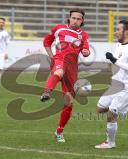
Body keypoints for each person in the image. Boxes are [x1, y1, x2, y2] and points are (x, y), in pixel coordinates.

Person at [41, 9, 90, 142]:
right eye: (73, 18)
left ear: (82, 21)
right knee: (58, 72)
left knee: (68, 102)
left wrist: (85, 52)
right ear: (69, 18)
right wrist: (52, 57)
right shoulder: (59, 29)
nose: (75, 21)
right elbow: (46, 42)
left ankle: (59, 131)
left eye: (78, 19)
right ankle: (46, 92)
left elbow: (86, 49)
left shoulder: (84, 35)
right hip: (60, 60)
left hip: (72, 68)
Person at [95, 20, 128, 149]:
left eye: (118, 29)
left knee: (111, 114)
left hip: (125, 88)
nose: (115, 32)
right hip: (115, 86)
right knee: (100, 108)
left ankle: (110, 143)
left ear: (126, 32)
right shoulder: (118, 45)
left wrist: (114, 59)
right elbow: (115, 64)